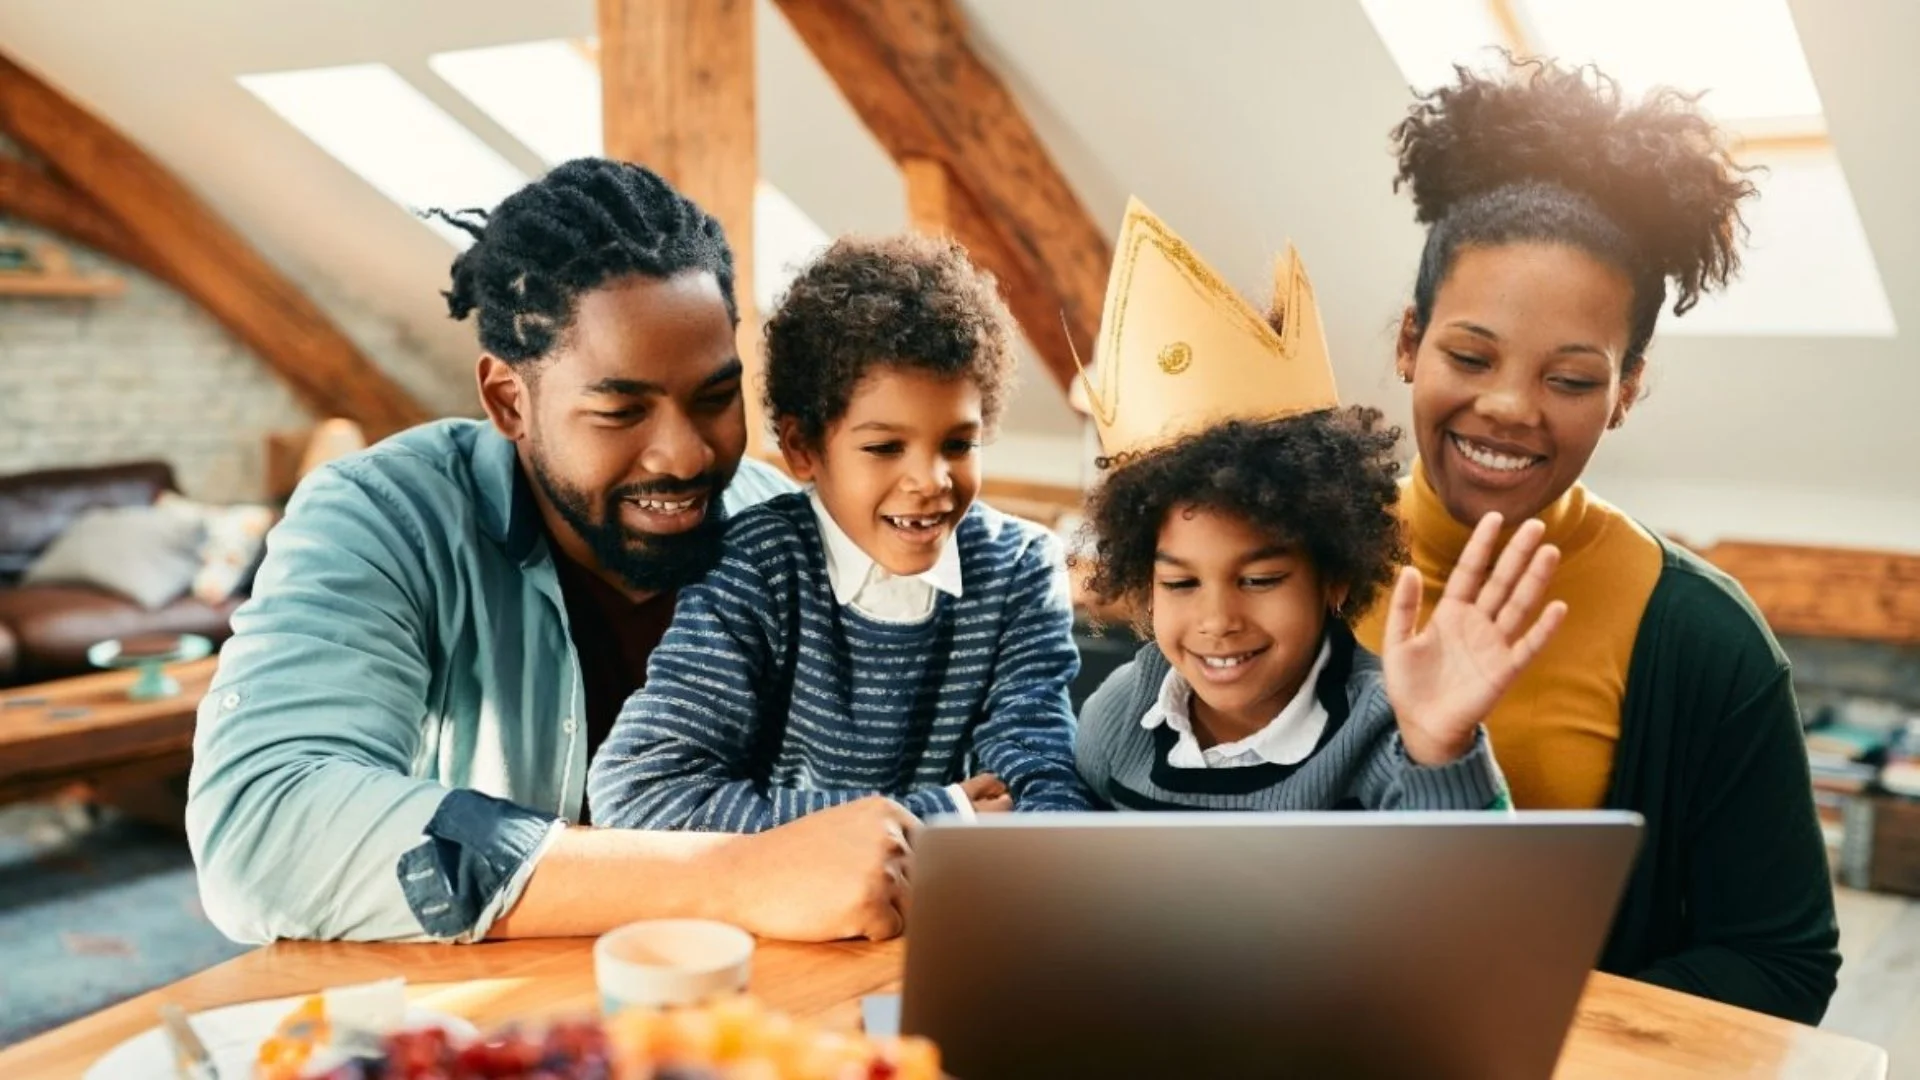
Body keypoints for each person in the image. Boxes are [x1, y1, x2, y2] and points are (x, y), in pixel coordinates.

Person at [186, 159, 918, 945]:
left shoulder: (789, 529)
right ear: (509, 400)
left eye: (714, 398)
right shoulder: (382, 518)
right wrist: (731, 876)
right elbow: (262, 825)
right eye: (620, 410)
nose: (683, 455)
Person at [1352, 58, 1839, 1022]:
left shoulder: (1703, 640)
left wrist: (1532, 1028)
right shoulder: (1278, 561)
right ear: (1409, 341)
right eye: (1468, 355)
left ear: (1627, 391)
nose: (1507, 408)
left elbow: (1779, 963)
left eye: (1571, 380)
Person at [588, 234, 1091, 831]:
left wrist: (1055, 852)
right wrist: (933, 812)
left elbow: (1042, 767)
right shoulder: (752, 566)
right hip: (795, 915)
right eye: (884, 447)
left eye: (958, 444)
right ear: (803, 450)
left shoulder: (1020, 566)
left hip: (955, 904)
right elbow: (641, 794)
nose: (931, 481)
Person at [1075, 414, 1559, 812]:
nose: (1218, 620)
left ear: (1334, 580)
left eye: (1260, 580)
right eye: (1180, 584)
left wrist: (1439, 752)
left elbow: (1471, 899)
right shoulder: (1122, 709)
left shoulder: (1384, 727)